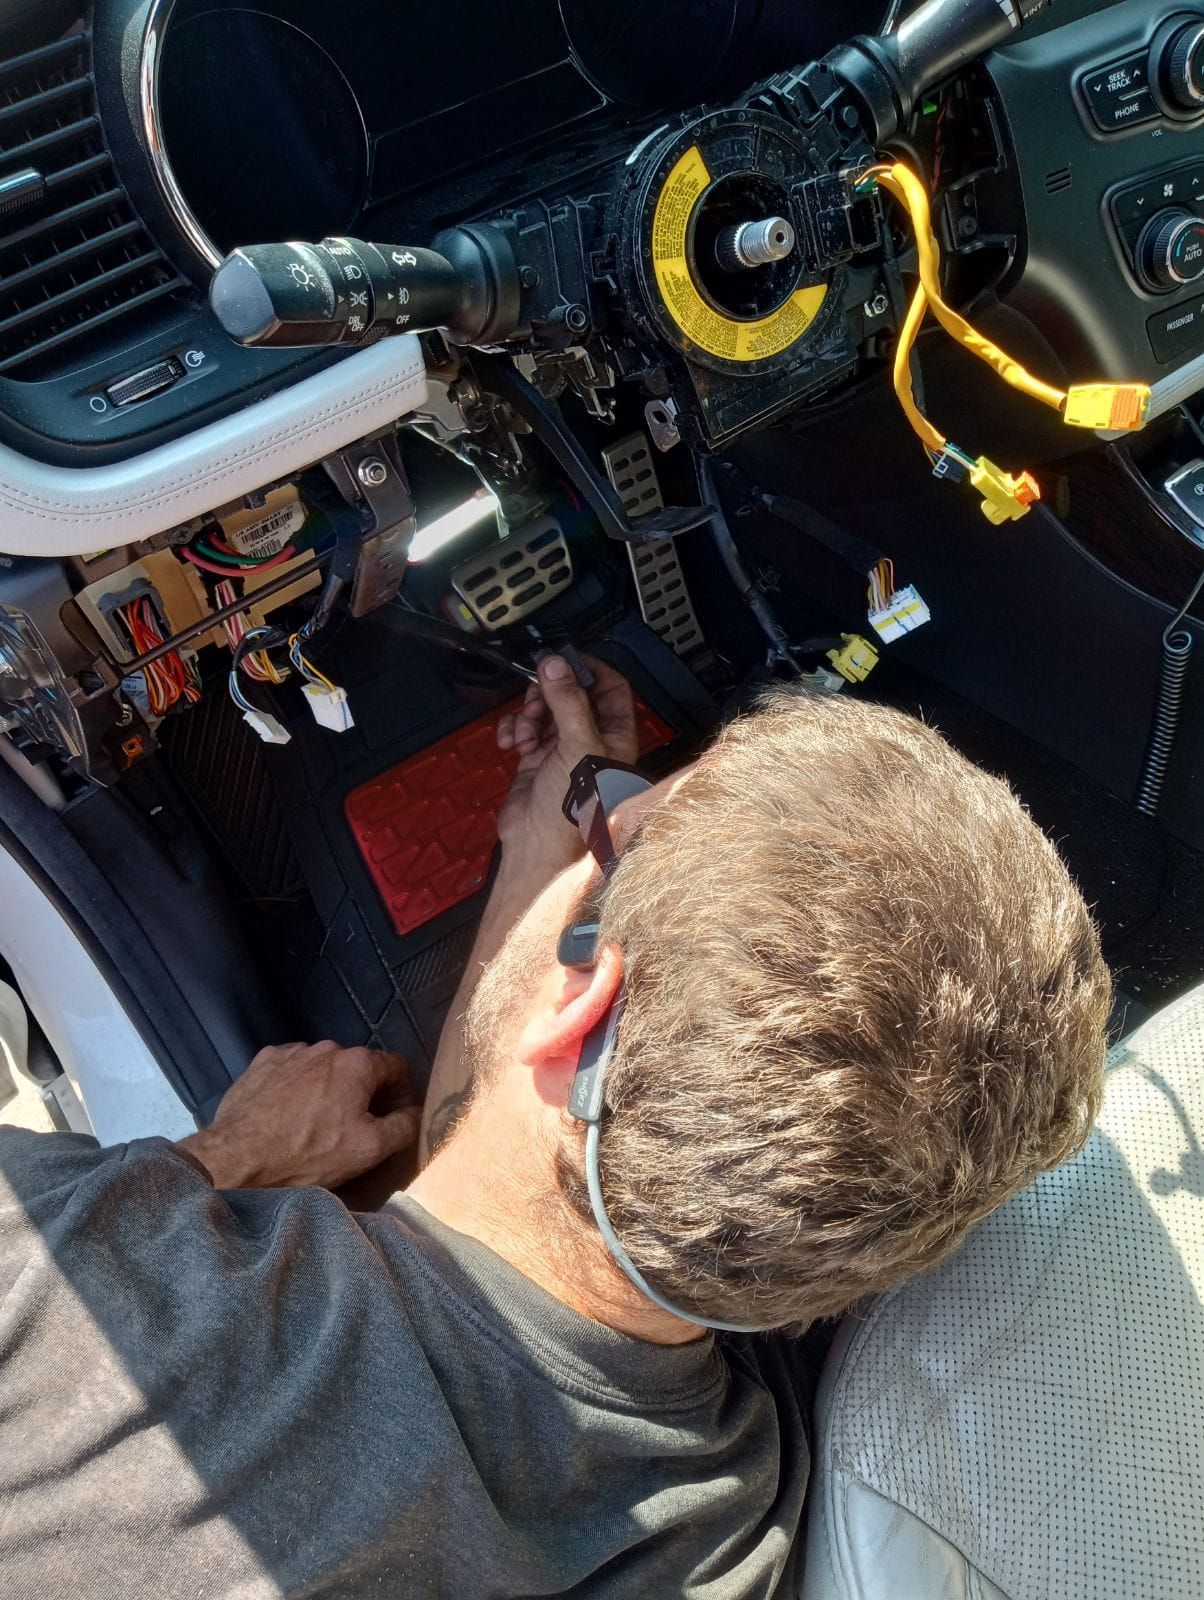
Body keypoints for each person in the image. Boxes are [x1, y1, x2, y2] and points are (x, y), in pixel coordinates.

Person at [0, 656, 1111, 1599]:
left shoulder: (61, 1292)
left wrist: (226, 1154)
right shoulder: (736, 1525)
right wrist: (542, 858)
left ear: (577, 1010)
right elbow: (506, 1209)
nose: (604, 819)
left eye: (621, 824)